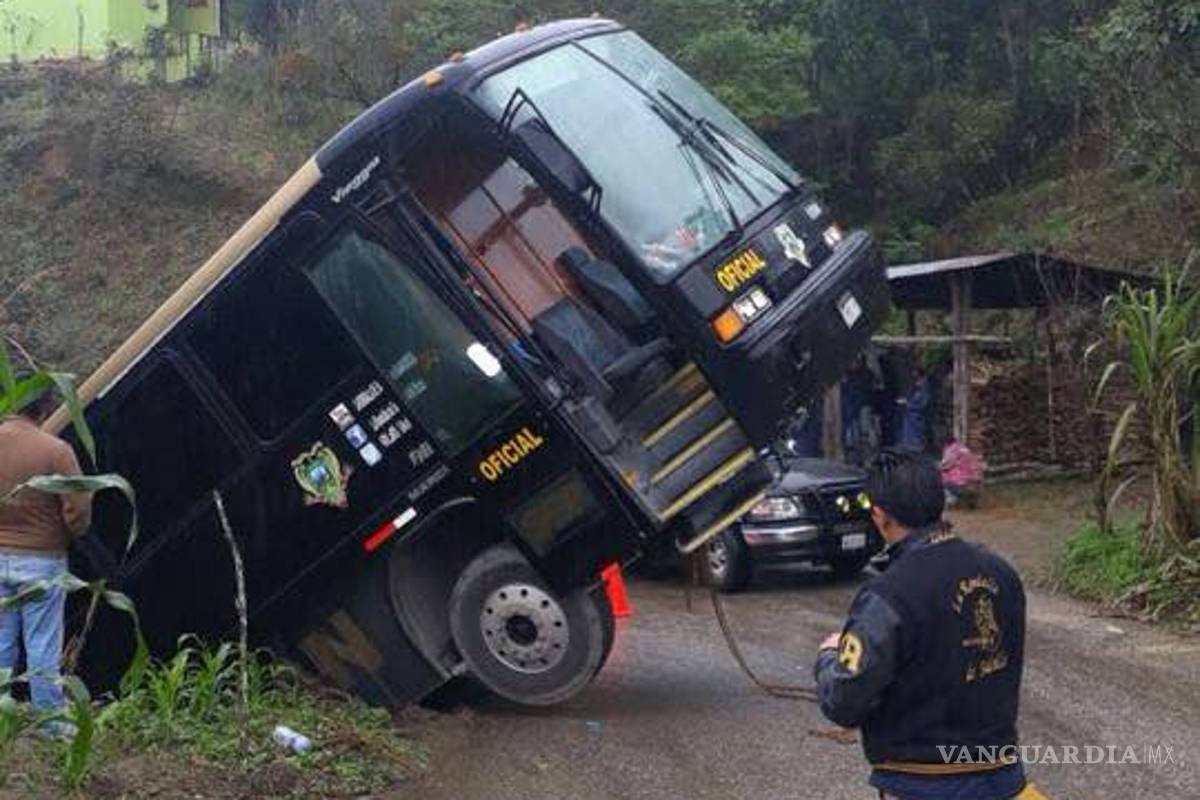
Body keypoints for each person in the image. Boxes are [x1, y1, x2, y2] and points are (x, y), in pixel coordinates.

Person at [814, 449, 1030, 800]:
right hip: (1004, 778)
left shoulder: (888, 595)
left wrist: (827, 658)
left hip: (922, 783)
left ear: (880, 516)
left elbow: (844, 701)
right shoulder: (1001, 572)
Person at [0, 379, 92, 726]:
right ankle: (49, 720)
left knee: (1, 640)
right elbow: (78, 507)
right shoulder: (56, 451)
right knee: (42, 642)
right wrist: (68, 534)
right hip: (42, 560)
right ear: (44, 407)